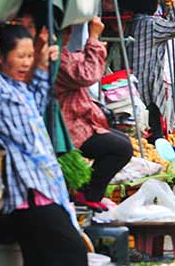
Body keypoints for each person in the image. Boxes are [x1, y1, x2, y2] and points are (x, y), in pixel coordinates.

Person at [0, 26, 87, 266]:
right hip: (30, 193)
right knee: (72, 254)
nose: (25, 63)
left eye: (29, 56)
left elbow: (38, 102)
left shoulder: (18, 87)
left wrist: (42, 65)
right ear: (1, 58)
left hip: (47, 188)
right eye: (20, 56)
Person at [55, 17, 132, 211]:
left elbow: (79, 65)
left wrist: (93, 45)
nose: (69, 35)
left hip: (78, 120)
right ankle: (88, 193)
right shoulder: (54, 57)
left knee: (121, 141)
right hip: (67, 126)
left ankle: (88, 191)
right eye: (66, 31)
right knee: (121, 148)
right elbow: (87, 74)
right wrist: (94, 38)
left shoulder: (60, 54)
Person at [127, 0, 175, 141]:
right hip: (147, 91)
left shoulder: (132, 24)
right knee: (154, 136)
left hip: (132, 90)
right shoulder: (151, 25)